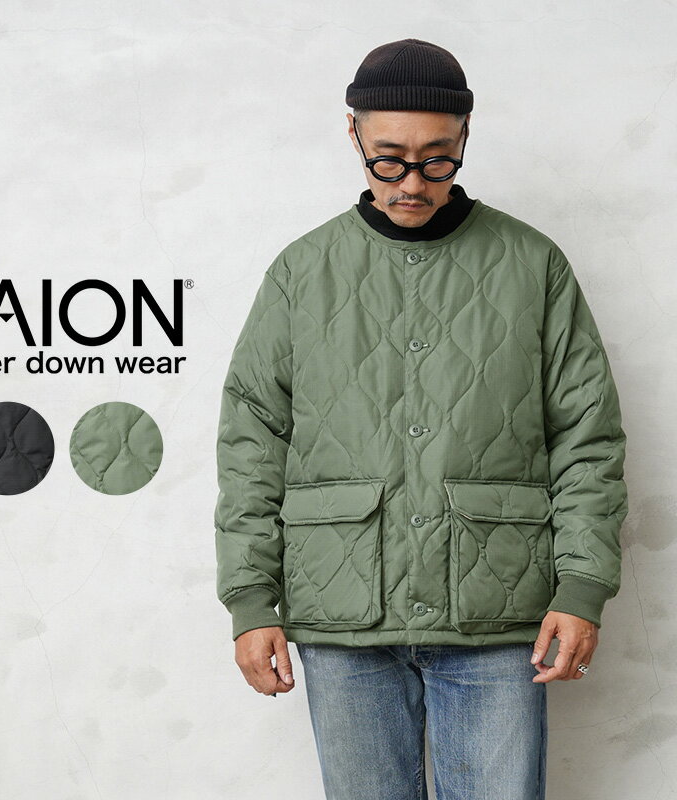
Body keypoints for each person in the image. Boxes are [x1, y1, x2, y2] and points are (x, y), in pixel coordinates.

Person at [213, 37, 628, 800]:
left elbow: (587, 439)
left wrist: (582, 587)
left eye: (438, 160)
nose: (412, 183)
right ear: (353, 135)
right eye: (389, 160)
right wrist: (249, 600)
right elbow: (251, 438)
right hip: (342, 612)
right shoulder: (302, 272)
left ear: (465, 137)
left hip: (497, 611)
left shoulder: (532, 265)